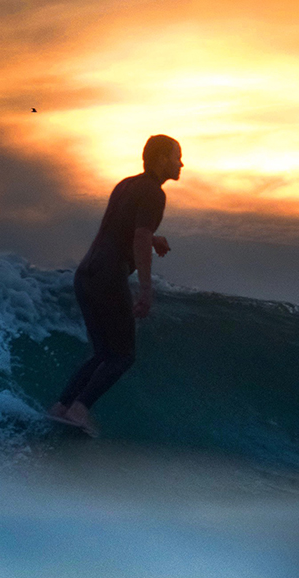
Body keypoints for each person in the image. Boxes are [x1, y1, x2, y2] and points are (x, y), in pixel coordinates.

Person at [47, 135, 182, 436]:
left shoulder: (126, 185)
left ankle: (61, 407)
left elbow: (120, 229)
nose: (181, 163)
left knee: (102, 352)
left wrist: (153, 237)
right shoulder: (154, 193)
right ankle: (79, 411)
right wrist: (146, 290)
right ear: (161, 159)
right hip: (109, 276)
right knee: (123, 355)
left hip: (86, 274)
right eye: (176, 156)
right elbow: (139, 237)